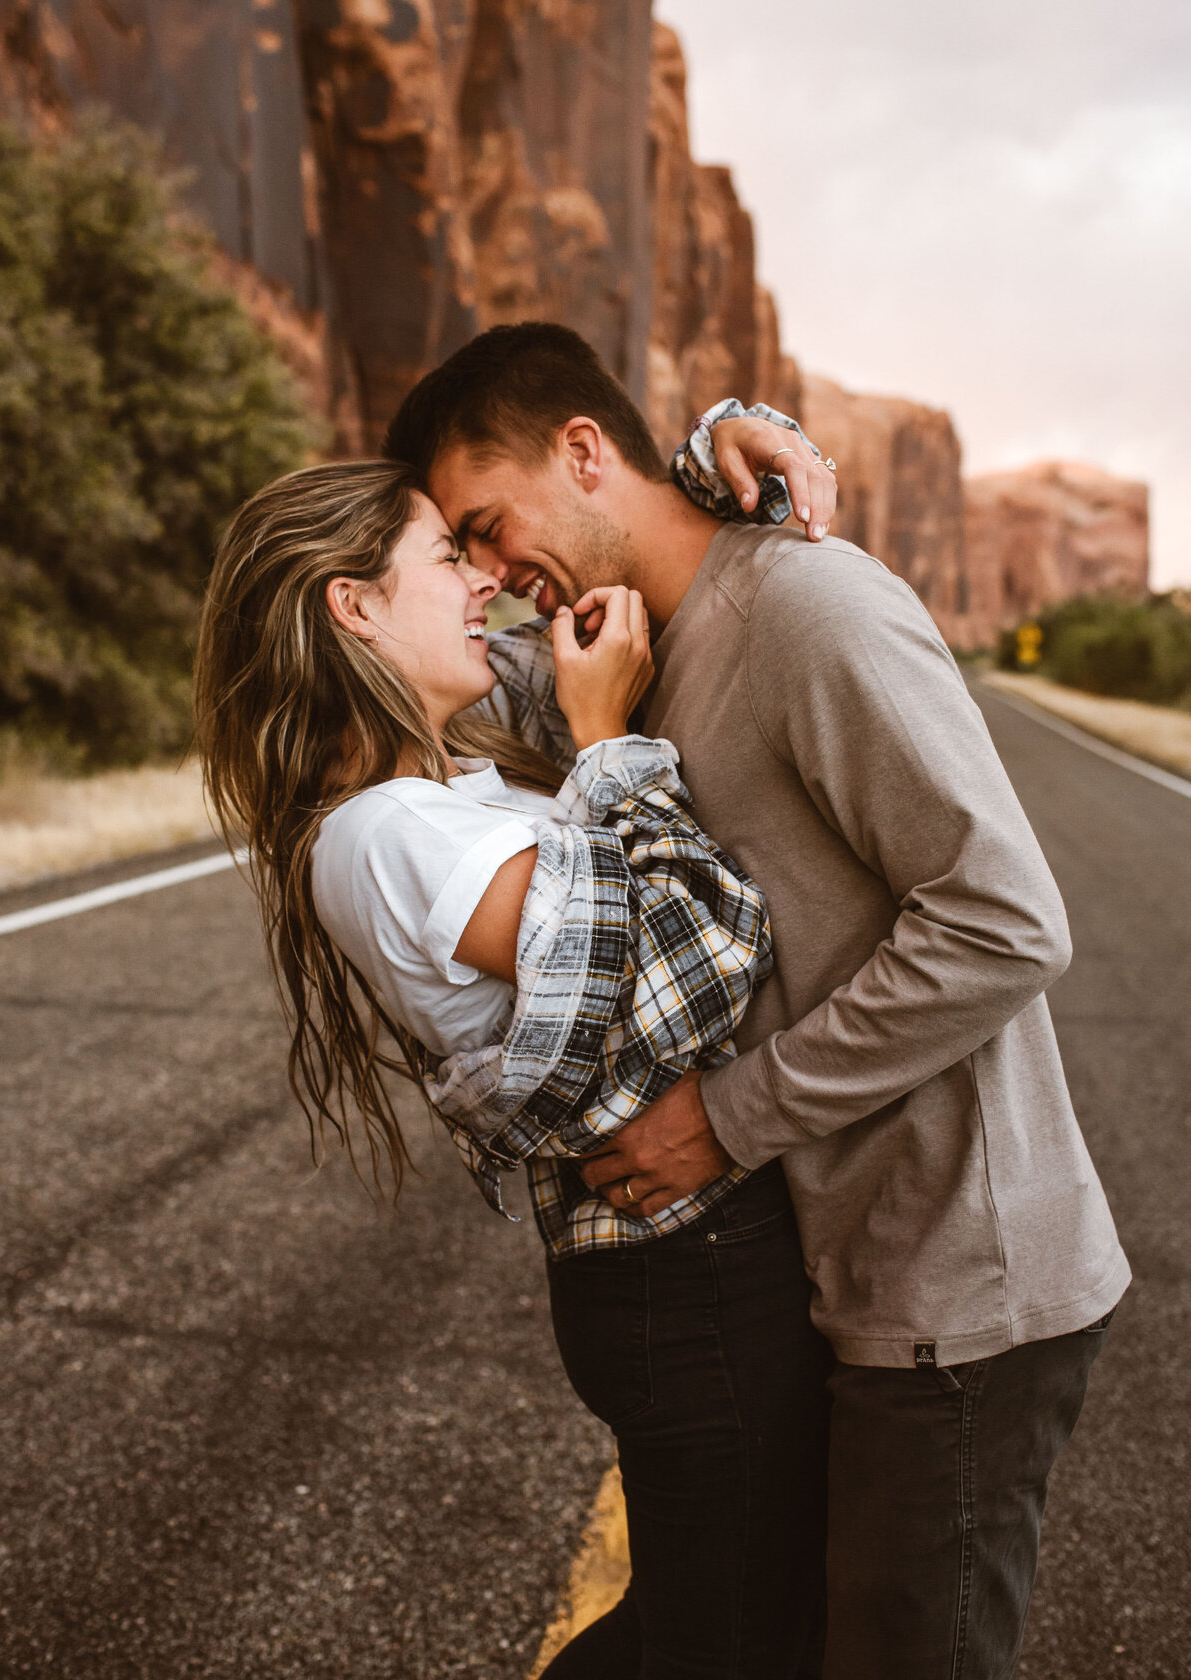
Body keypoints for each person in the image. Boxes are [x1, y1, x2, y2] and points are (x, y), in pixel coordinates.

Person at [383, 322, 1132, 1680]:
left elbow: (1005, 919)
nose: (489, 579)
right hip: (851, 1284)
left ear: (581, 452)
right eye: (468, 556)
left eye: (489, 529)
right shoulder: (622, 653)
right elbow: (376, 641)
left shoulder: (809, 611)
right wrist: (719, 430)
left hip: (963, 1295)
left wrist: (726, 1118)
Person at [192, 457, 835, 1679]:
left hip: (696, 1269)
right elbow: (704, 948)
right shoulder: (387, 838)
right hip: (687, 1279)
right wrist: (604, 737)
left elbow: (609, 528)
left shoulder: (450, 791)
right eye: (447, 558)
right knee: (730, 1643)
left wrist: (714, 450)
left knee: (718, 1626)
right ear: (355, 607)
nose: (484, 579)